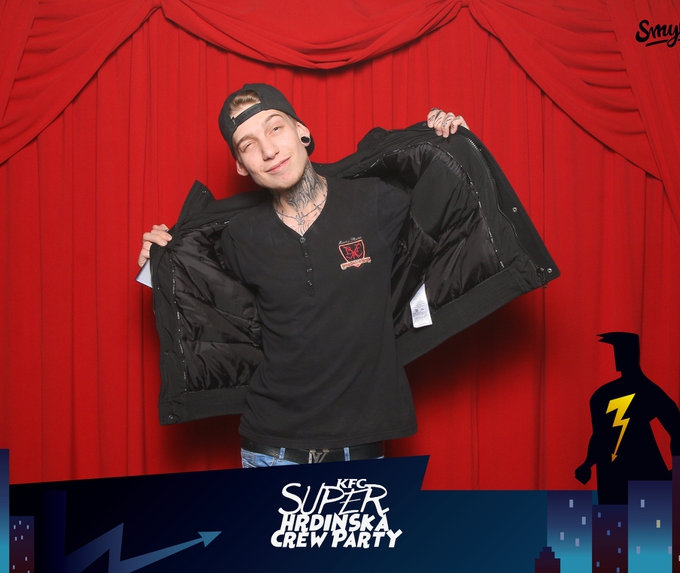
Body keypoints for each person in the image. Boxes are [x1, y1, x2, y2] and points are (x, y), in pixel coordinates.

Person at [137, 83, 466, 467]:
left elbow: (446, 211)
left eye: (275, 128)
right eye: (249, 144)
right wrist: (158, 264)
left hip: (360, 448)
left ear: (302, 131)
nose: (269, 150)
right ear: (242, 165)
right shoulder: (239, 236)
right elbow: (208, 302)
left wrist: (449, 140)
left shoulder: (375, 202)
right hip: (269, 450)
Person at [574, 332, 680, 504]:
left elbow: (678, 433)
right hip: (613, 477)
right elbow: (600, 435)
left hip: (643, 475)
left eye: (621, 351)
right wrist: (588, 463)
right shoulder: (602, 396)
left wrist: (679, 470)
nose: (618, 357)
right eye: (617, 352)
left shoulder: (648, 392)